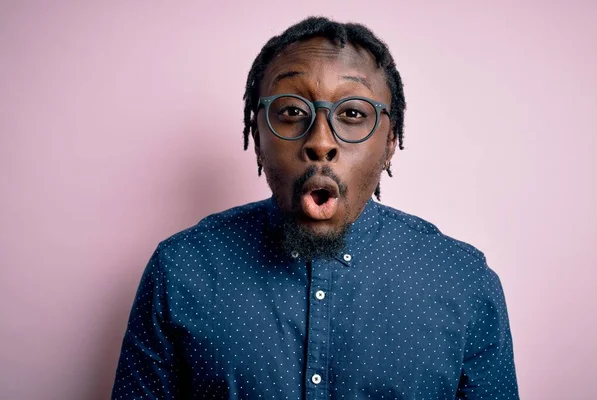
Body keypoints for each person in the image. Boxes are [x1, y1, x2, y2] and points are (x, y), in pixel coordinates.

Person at [111, 16, 519, 399]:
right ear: (257, 135)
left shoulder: (464, 282)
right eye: (291, 112)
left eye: (353, 113)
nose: (321, 141)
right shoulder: (182, 269)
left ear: (391, 140)